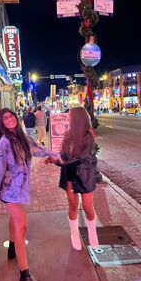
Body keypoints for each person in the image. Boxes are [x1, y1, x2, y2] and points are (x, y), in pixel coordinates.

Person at [0, 108, 58, 281]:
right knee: (22, 225)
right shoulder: (3, 143)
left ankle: (12, 247)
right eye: (5, 118)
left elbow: (38, 148)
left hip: (20, 190)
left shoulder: (22, 138)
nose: (9, 119)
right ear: (1, 123)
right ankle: (25, 276)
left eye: (11, 115)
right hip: (9, 191)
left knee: (14, 219)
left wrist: (55, 154)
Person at [45, 106, 99, 251]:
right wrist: (53, 158)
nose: (68, 118)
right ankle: (74, 233)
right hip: (69, 173)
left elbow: (81, 158)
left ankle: (92, 232)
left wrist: (58, 161)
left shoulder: (89, 135)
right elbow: (65, 156)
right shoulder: (68, 134)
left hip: (84, 174)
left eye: (70, 116)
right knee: (72, 205)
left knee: (88, 207)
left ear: (77, 119)